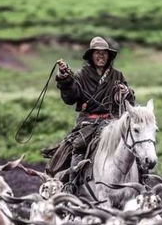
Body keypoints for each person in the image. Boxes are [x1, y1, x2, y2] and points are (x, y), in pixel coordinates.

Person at [43, 36, 135, 191]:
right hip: (88, 122)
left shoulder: (117, 75)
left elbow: (130, 100)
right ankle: (72, 182)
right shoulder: (81, 75)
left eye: (104, 53)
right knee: (78, 145)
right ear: (91, 56)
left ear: (109, 56)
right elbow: (70, 98)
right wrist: (64, 79)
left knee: (133, 143)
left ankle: (142, 179)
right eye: (97, 53)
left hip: (113, 120)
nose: (101, 56)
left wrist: (126, 92)